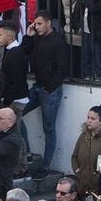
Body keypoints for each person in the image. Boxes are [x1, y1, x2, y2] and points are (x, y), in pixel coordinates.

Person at [21, 10, 70, 170]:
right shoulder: (37, 38)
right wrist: (28, 36)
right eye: (36, 24)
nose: (37, 27)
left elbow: (63, 68)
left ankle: (46, 165)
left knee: (48, 128)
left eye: (40, 23)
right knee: (15, 114)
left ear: (49, 22)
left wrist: (50, 87)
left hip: (50, 90)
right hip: (38, 87)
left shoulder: (58, 41)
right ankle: (26, 152)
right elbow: (24, 52)